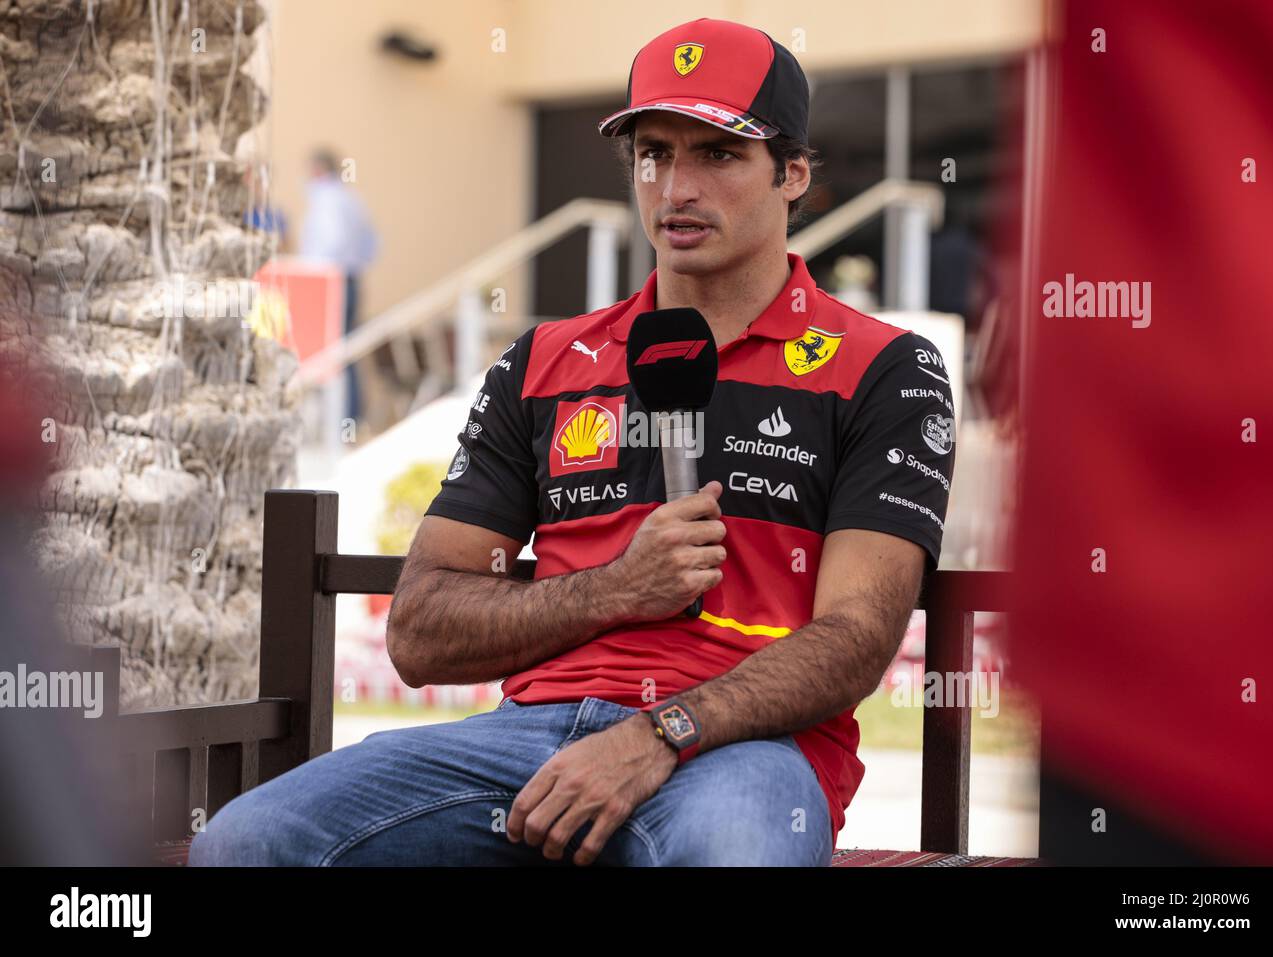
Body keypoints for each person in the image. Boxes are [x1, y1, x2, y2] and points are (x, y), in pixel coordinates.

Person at [190, 17, 955, 867]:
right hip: (532, 742)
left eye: (718, 153)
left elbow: (856, 638)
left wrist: (661, 731)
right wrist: (616, 587)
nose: (675, 188)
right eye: (653, 153)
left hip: (743, 750)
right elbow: (419, 631)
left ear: (794, 175)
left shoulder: (883, 366)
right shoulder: (547, 360)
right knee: (247, 840)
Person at [298, 147, 378, 428]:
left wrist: (313, 270)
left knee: (334, 351)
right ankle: (352, 415)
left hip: (331, 283)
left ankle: (343, 418)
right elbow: (371, 243)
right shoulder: (351, 199)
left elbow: (328, 243)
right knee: (347, 349)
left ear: (319, 170)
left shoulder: (327, 199)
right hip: (351, 278)